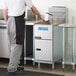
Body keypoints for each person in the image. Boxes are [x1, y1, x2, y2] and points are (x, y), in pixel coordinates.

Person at [2, 0, 43, 73]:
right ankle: (12, 68)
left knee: (11, 44)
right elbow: (33, 9)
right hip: (17, 21)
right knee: (17, 44)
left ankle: (15, 65)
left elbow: (5, 10)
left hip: (9, 20)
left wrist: (7, 22)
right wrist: (40, 16)